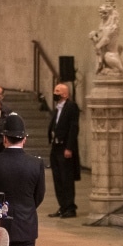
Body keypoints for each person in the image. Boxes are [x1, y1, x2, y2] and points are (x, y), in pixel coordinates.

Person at [0, 113, 45, 246]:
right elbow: (39, 196)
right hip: (26, 224)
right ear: (24, 139)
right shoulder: (36, 164)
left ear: (4, 139)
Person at [46, 82, 80, 219]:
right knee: (58, 178)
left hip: (65, 148)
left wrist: (69, 147)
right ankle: (62, 206)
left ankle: (70, 207)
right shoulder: (58, 108)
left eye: (57, 91)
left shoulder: (71, 106)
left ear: (65, 94)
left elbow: (74, 127)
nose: (55, 93)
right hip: (56, 147)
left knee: (66, 179)